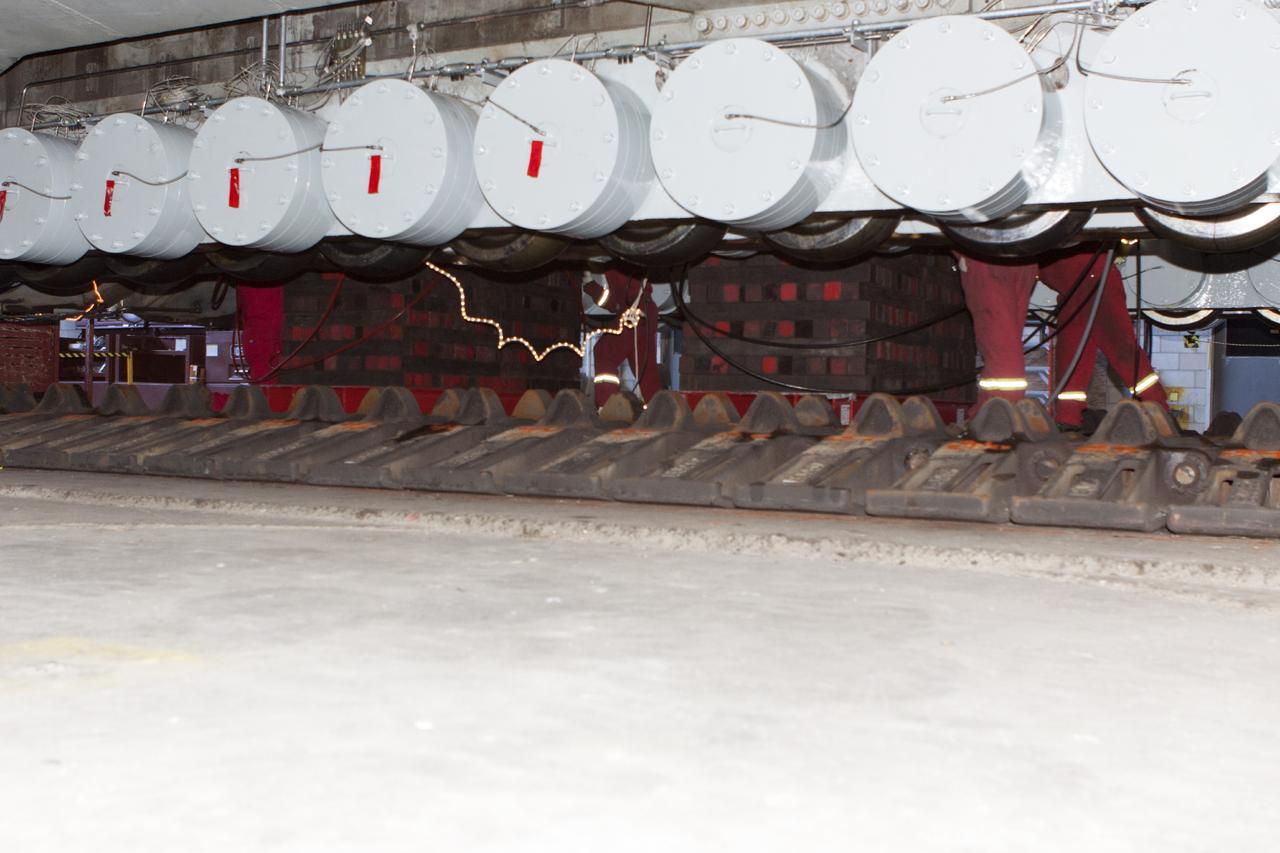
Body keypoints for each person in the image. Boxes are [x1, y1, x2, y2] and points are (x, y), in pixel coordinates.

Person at [955, 245, 1167, 427]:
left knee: (1004, 340)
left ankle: (998, 414)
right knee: (1089, 328)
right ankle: (1067, 414)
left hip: (1005, 245)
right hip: (1071, 253)